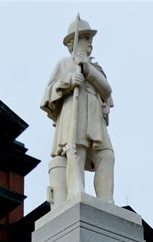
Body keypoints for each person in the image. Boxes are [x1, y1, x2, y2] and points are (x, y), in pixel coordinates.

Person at [41, 17, 115, 205]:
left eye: (90, 38)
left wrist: (87, 69)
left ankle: (106, 199)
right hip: (73, 109)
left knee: (106, 155)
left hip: (94, 112)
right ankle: (76, 190)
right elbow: (48, 93)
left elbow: (106, 89)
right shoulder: (64, 64)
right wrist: (69, 82)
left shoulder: (95, 68)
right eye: (85, 37)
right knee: (76, 149)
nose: (90, 42)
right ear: (73, 42)